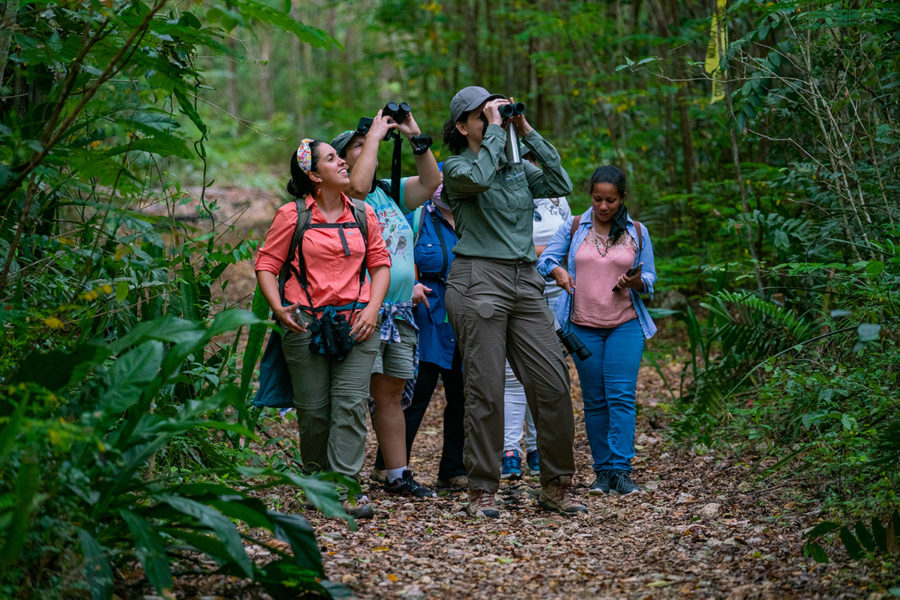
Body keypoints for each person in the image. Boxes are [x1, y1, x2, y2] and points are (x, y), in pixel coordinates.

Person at [441, 85, 587, 517]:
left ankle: (556, 485)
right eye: (481, 115)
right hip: (478, 278)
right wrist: (493, 133)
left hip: (526, 280)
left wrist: (524, 131)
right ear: (463, 126)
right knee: (486, 390)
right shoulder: (457, 168)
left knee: (553, 384)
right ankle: (482, 488)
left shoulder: (519, 166)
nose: (491, 119)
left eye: (495, 111)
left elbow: (562, 182)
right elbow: (480, 177)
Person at [255, 139, 391, 518]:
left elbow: (380, 264)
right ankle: (317, 483)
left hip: (356, 322)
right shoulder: (291, 215)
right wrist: (278, 307)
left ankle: (346, 489)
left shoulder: (364, 214)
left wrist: (372, 310)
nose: (343, 162)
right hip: (305, 324)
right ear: (314, 175)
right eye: (332, 159)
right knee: (314, 412)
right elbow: (266, 264)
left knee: (350, 406)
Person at [330, 107, 441, 498]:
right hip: (362, 308)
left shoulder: (387, 191)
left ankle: (396, 473)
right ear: (340, 162)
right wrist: (374, 136)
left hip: (399, 310)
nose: (369, 146)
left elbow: (431, 183)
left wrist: (414, 134)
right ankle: (342, 479)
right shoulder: (342, 194)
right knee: (353, 394)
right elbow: (357, 188)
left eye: (369, 142)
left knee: (390, 393)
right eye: (358, 146)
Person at [537, 165, 657, 496]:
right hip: (582, 326)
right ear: (590, 195)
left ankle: (622, 470)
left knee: (620, 397)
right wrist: (559, 271)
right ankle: (602, 471)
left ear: (622, 198)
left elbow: (651, 279)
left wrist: (637, 281)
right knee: (594, 401)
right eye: (597, 199)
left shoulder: (637, 231)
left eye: (611, 200)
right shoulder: (574, 226)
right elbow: (544, 260)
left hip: (625, 325)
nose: (603, 207)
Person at [501, 149, 572, 481]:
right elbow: (505, 246)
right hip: (517, 289)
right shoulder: (503, 195)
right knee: (513, 374)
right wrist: (546, 254)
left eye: (534, 160)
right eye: (522, 159)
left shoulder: (556, 197)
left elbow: (572, 239)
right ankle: (509, 449)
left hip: (559, 296)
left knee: (545, 372)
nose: (529, 165)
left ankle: (537, 447)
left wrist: (552, 257)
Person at [397, 182, 467, 490]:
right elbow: (395, 256)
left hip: (465, 316)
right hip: (425, 315)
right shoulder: (416, 218)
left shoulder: (475, 218)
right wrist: (410, 284)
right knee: (416, 394)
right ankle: (392, 468)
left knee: (462, 396)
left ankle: (453, 469)